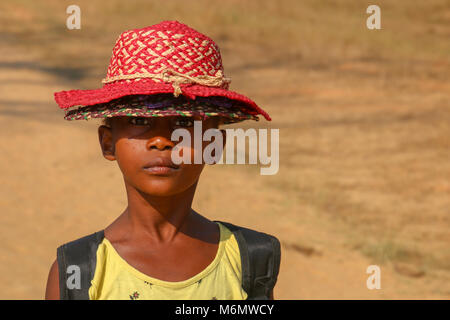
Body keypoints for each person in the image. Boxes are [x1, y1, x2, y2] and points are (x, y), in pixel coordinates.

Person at [45, 20, 280, 300]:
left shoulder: (249, 261)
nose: (162, 140)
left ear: (214, 145)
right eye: (139, 119)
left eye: (183, 121)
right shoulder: (79, 272)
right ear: (108, 143)